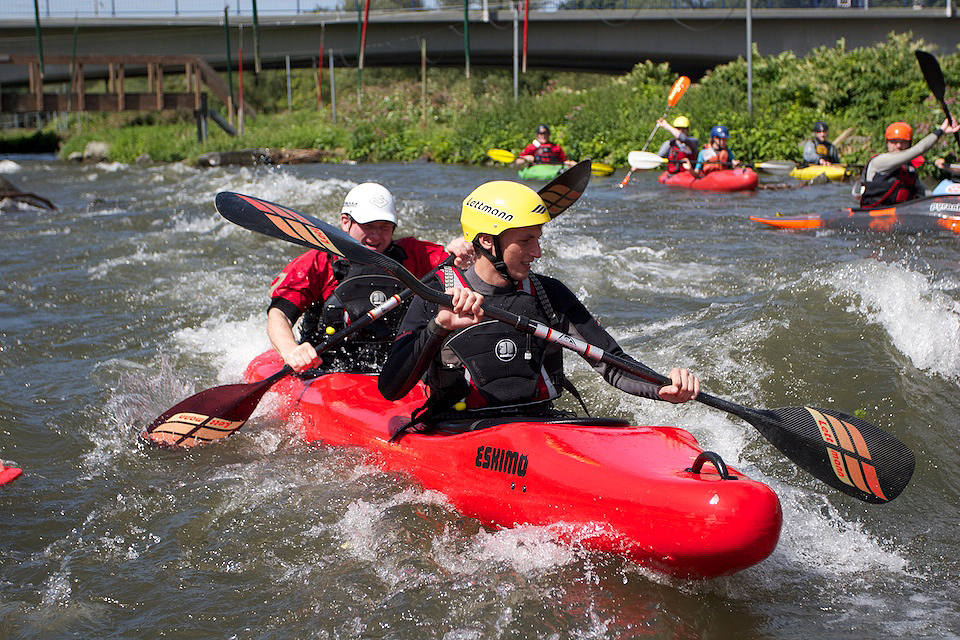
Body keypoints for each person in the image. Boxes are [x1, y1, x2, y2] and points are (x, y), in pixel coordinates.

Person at [378, 180, 700, 424]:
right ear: (488, 241)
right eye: (526, 241)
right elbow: (392, 388)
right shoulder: (436, 294)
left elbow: (611, 362)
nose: (538, 253)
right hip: (459, 429)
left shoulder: (549, 295)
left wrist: (661, 388)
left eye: (538, 239)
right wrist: (439, 326)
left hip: (540, 424)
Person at [267, 182, 473, 373]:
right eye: (368, 226)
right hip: (325, 369)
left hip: (393, 370)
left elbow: (460, 263)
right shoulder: (318, 261)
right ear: (345, 222)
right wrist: (290, 350)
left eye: (384, 227)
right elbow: (279, 315)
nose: (376, 236)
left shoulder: (413, 254)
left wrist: (464, 248)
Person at [859, 118, 960, 208]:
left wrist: (946, 205)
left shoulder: (908, 170)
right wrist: (941, 131)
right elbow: (919, 149)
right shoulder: (879, 162)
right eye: (894, 141)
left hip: (901, 217)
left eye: (903, 142)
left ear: (909, 143)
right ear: (887, 143)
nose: (898, 145)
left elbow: (927, 195)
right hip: (875, 216)